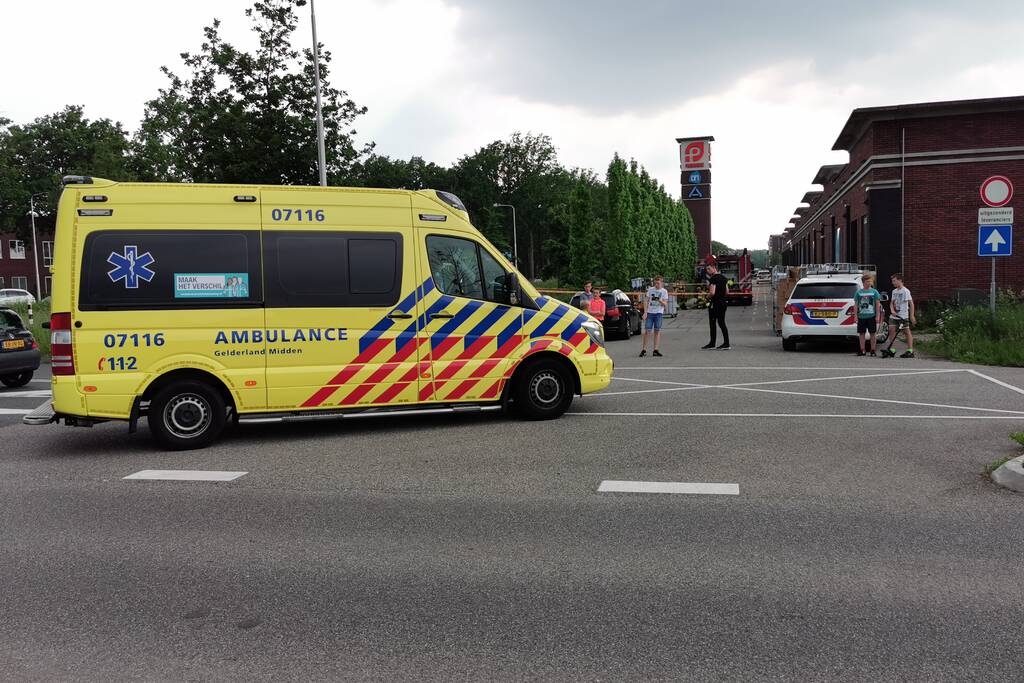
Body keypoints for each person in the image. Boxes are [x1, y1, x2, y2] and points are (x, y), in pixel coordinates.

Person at [884, 273, 916, 358]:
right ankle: (892, 349)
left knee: (906, 331)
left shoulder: (905, 291)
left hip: (903, 315)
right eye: (892, 281)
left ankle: (910, 350)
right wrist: (892, 310)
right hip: (894, 315)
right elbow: (891, 303)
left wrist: (911, 316)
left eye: (894, 281)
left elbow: (911, 304)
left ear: (900, 280)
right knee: (891, 330)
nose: (893, 283)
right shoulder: (894, 291)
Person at [702, 263, 730, 350]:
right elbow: (727, 291)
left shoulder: (713, 278)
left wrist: (707, 297)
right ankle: (726, 343)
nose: (708, 271)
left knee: (712, 323)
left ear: (714, 268)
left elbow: (712, 292)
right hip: (723, 303)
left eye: (709, 269)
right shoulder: (724, 278)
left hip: (715, 303)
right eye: (707, 269)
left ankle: (712, 343)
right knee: (722, 323)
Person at [854, 274, 883, 356]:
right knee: (861, 333)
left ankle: (873, 350)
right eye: (867, 281)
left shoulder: (874, 292)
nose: (869, 283)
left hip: (871, 316)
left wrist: (877, 316)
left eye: (871, 281)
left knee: (872, 333)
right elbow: (856, 305)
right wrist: (855, 316)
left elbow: (877, 305)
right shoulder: (858, 292)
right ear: (863, 282)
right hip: (861, 316)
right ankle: (862, 350)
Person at [639, 275, 668, 357]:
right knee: (647, 330)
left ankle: (656, 349)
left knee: (657, 330)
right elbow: (646, 301)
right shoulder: (650, 290)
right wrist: (645, 312)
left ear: (662, 283)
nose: (656, 285)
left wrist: (660, 300)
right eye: (655, 283)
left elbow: (665, 304)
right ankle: (644, 349)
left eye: (658, 283)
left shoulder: (664, 291)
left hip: (659, 313)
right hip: (650, 312)